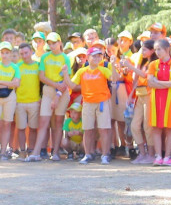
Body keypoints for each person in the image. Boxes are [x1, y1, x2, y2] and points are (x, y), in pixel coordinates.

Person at [68, 48, 119, 165]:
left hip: (102, 102)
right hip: (87, 103)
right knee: (88, 130)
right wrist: (65, 73)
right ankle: (88, 154)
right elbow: (71, 84)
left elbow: (114, 78)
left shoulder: (103, 70)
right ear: (88, 57)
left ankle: (105, 155)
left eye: (99, 56)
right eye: (94, 56)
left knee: (103, 129)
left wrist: (113, 65)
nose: (97, 58)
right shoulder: (82, 71)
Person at [28, 32, 71, 162]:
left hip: (62, 94)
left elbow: (66, 80)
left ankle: (56, 152)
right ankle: (35, 152)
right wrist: (55, 85)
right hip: (48, 91)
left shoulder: (65, 58)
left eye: (54, 43)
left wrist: (57, 95)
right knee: (43, 122)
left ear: (59, 43)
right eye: (50, 44)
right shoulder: (45, 57)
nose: (52, 46)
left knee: (58, 122)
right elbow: (42, 76)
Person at [122, 40, 157, 164]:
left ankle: (151, 154)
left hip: (149, 95)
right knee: (135, 125)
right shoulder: (142, 61)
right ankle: (142, 153)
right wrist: (131, 95)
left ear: (152, 51)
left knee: (148, 126)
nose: (142, 51)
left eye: (145, 49)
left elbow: (144, 75)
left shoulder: (153, 63)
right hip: (139, 95)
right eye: (142, 49)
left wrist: (130, 67)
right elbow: (137, 81)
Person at [147, 39, 171, 166]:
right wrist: (169, 84)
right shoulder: (153, 65)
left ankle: (167, 157)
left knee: (170, 128)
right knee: (156, 128)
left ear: (167, 49)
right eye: (155, 49)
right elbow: (150, 83)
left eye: (159, 49)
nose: (157, 52)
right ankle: (158, 156)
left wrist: (158, 82)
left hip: (170, 100)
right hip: (155, 100)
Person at [0, 42, 21, 160]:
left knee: (7, 124)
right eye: (2, 52)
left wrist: (0, 82)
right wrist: (8, 84)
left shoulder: (15, 67)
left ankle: (2, 152)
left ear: (11, 54)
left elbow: (16, 84)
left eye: (7, 53)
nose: (4, 55)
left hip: (10, 97)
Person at [15, 43, 40, 158]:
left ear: (31, 52)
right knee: (21, 128)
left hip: (35, 101)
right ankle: (22, 150)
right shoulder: (17, 67)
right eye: (21, 54)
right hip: (20, 101)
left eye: (26, 53)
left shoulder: (38, 66)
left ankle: (32, 150)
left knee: (33, 128)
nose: (24, 56)